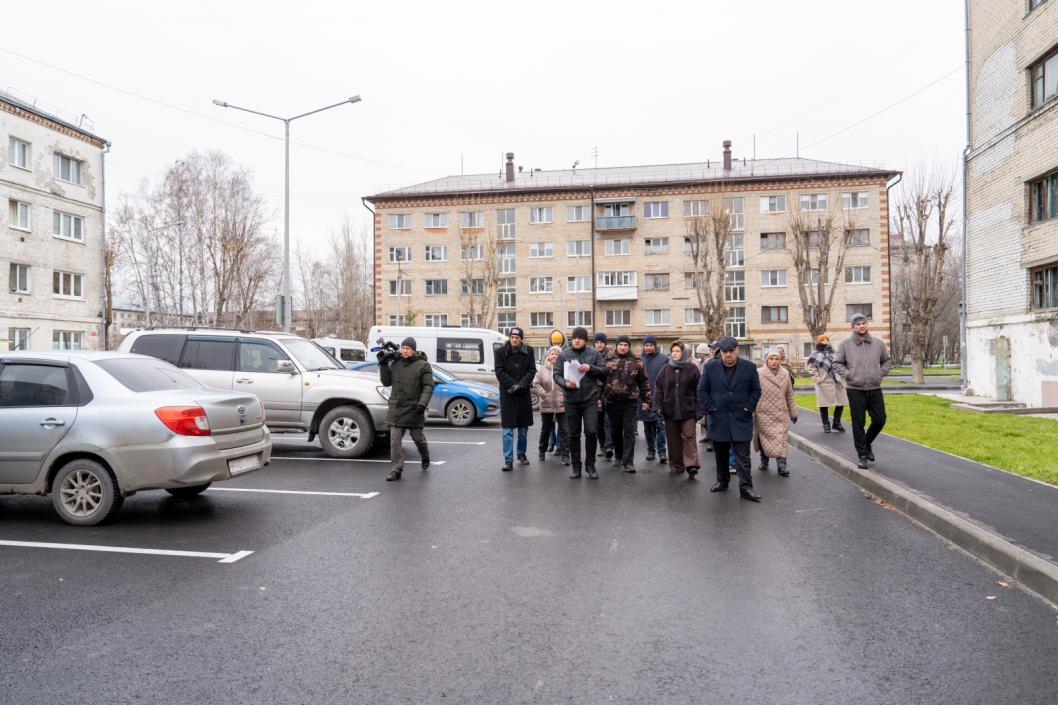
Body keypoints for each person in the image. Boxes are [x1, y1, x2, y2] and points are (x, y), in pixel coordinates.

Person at [697, 336, 763, 501]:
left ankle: (746, 488)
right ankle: (722, 481)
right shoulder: (711, 367)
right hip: (718, 419)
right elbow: (702, 391)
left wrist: (748, 407)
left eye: (731, 351)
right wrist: (711, 409)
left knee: (743, 457)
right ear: (720, 351)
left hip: (741, 418)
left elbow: (756, 391)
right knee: (721, 455)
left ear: (737, 350)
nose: (728, 355)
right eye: (725, 351)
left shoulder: (749, 368)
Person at [832, 314, 893, 469]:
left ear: (867, 325)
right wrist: (849, 375)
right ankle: (862, 455)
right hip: (855, 389)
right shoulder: (846, 344)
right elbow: (837, 363)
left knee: (880, 419)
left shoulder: (878, 343)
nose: (861, 326)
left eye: (863, 323)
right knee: (858, 423)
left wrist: (881, 373)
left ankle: (867, 443)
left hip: (874, 388)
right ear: (853, 327)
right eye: (858, 324)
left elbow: (887, 361)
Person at [554, 327, 608, 479]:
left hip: (590, 399)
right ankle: (575, 466)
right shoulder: (564, 355)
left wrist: (591, 368)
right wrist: (565, 383)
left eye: (580, 338)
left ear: (585, 339)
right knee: (573, 434)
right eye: (574, 338)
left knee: (591, 431)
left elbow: (604, 372)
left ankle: (590, 465)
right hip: (571, 400)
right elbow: (556, 374)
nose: (577, 340)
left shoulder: (594, 353)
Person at [378, 337, 434, 482]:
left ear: (413, 350)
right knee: (395, 442)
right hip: (397, 409)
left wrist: (422, 404)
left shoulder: (423, 365)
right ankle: (396, 470)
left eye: (407, 348)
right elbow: (386, 382)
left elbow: (428, 386)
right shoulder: (396, 363)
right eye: (403, 348)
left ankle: (425, 456)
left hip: (414, 409)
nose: (404, 350)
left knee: (418, 439)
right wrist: (383, 364)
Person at [651, 341, 703, 478]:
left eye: (677, 351)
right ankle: (676, 464)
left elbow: (699, 390)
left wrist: (699, 409)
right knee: (673, 440)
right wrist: (657, 406)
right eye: (672, 351)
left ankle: (691, 465)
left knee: (689, 436)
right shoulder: (665, 369)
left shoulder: (692, 369)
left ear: (683, 353)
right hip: (670, 410)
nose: (674, 354)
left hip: (688, 410)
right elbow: (658, 389)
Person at [603, 334, 651, 473]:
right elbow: (600, 380)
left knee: (629, 432)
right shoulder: (608, 360)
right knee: (615, 431)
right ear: (617, 346)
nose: (623, 347)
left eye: (625, 345)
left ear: (629, 347)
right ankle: (618, 456)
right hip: (612, 402)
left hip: (630, 402)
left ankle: (628, 462)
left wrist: (647, 400)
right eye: (621, 345)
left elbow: (644, 383)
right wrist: (598, 399)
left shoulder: (637, 361)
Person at [495, 326, 536, 472]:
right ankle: (508, 460)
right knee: (507, 430)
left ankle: (521, 454)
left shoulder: (529, 351)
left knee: (523, 429)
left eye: (517, 337)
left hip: (523, 394)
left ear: (521, 339)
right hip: (507, 394)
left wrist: (521, 385)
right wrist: (512, 385)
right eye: (512, 336)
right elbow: (499, 372)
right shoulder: (500, 352)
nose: (514, 339)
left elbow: (532, 370)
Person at [754, 349, 798, 477]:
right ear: (766, 360)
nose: (774, 361)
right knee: (764, 438)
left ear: (780, 360)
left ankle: (782, 465)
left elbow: (789, 394)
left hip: (781, 412)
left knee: (782, 438)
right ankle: (764, 461)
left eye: (776, 359)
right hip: (763, 412)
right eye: (771, 359)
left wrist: (793, 412)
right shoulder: (758, 373)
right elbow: (753, 392)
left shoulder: (785, 374)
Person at [532, 345, 569, 465]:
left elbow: (570, 383)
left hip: (562, 405)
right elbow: (536, 384)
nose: (554, 355)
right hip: (547, 404)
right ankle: (541, 451)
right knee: (546, 430)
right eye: (552, 353)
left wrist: (565, 396)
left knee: (564, 431)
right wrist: (543, 394)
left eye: (556, 354)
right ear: (548, 356)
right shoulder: (542, 369)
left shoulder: (565, 369)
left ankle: (565, 456)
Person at [637, 334, 669, 465]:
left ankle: (662, 451)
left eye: (650, 345)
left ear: (655, 346)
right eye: (646, 345)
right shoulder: (639, 359)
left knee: (660, 425)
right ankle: (651, 449)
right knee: (647, 426)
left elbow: (667, 378)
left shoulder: (663, 359)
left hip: (659, 397)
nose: (648, 347)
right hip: (643, 398)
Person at [807, 334, 848, 433]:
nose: (825, 341)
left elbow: (839, 364)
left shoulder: (834, 353)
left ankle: (836, 423)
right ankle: (826, 424)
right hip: (823, 382)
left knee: (841, 402)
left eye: (826, 340)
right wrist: (818, 379)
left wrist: (842, 374)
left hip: (836, 381)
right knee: (823, 404)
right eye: (822, 340)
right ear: (819, 342)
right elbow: (811, 368)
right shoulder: (815, 354)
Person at [593, 332, 614, 459]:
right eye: (597, 342)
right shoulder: (591, 356)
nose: (599, 344)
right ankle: (602, 446)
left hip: (608, 393)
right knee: (598, 423)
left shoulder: (610, 357)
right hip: (594, 394)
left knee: (608, 421)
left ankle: (609, 446)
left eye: (601, 342)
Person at [694, 343, 714, 450]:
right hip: (701, 391)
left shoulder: (709, 361)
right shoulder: (700, 362)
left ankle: (711, 439)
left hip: (708, 392)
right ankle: (705, 436)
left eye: (699, 352)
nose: (698, 354)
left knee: (708, 418)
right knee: (702, 418)